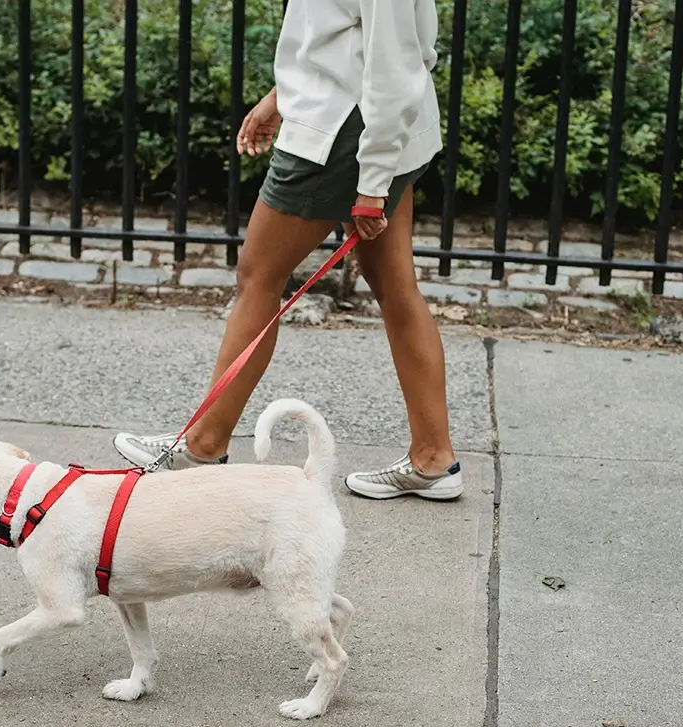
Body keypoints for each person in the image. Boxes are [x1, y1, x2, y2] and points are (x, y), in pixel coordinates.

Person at [112, 0, 462, 501]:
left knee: (258, 277)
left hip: (344, 133)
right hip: (362, 125)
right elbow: (338, 29)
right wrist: (283, 94)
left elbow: (396, 61)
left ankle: (203, 445)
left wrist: (371, 184)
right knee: (395, 286)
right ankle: (433, 457)